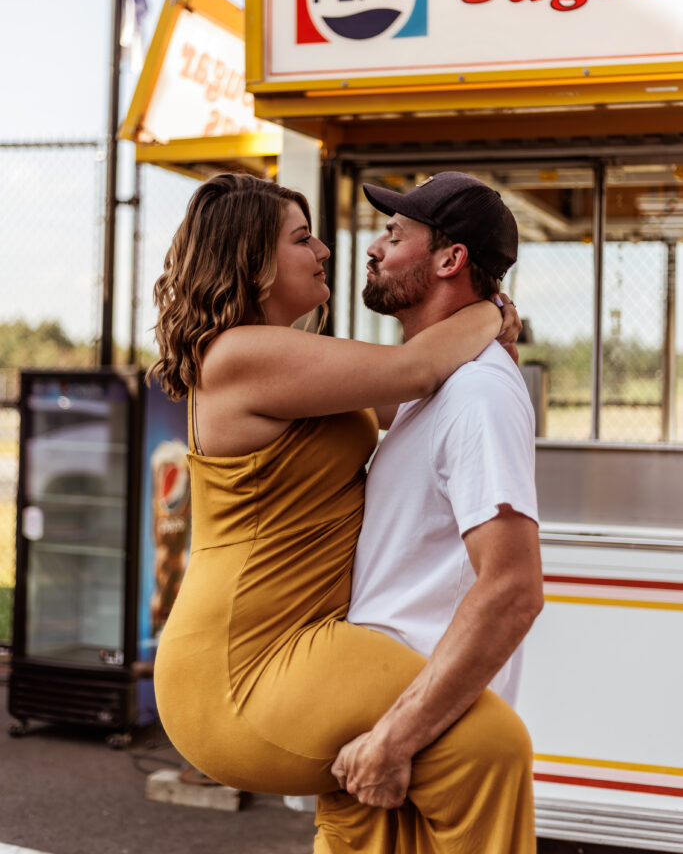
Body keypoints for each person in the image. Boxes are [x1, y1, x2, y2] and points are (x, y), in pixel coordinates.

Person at [151, 171, 532, 854]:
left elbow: (421, 399)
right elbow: (413, 374)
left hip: (304, 645)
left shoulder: (307, 372)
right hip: (242, 665)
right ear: (252, 261)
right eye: (302, 239)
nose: (325, 250)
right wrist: (487, 312)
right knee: (491, 746)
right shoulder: (238, 354)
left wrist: (475, 334)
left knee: (376, 793)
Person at [314, 172, 544, 852]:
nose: (373, 248)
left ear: (449, 260)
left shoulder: (477, 396)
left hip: (422, 744)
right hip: (380, 729)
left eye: (394, 234)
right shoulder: (433, 384)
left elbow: (510, 588)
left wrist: (396, 737)